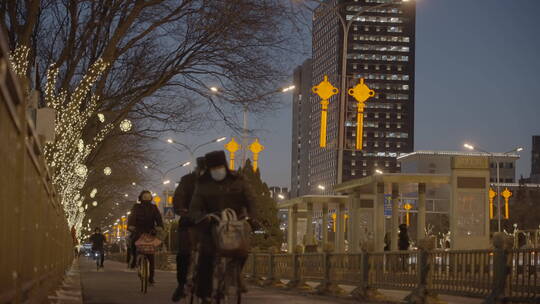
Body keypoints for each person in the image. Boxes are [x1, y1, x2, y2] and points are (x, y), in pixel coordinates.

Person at [188, 150, 257, 304]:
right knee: (206, 256)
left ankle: (235, 274)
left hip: (235, 225)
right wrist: (201, 218)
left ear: (225, 165)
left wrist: (251, 217)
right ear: (209, 169)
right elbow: (194, 208)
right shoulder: (203, 184)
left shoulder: (238, 180)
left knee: (243, 249)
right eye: (213, 168)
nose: (217, 171)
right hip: (211, 225)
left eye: (219, 166)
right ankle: (204, 293)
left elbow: (251, 200)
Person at [171, 157, 206, 302]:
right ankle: (181, 285)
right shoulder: (187, 181)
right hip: (189, 223)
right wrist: (183, 210)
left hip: (210, 223)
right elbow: (178, 198)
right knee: (184, 254)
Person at [127, 190, 164, 285]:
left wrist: (160, 226)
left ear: (151, 197)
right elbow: (131, 218)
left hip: (150, 231)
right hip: (138, 230)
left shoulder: (154, 207)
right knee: (133, 242)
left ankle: (151, 277)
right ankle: (134, 260)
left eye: (149, 196)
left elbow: (158, 218)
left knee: (151, 256)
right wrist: (131, 226)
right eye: (145, 196)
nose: (147, 197)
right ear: (141, 197)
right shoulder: (136, 207)